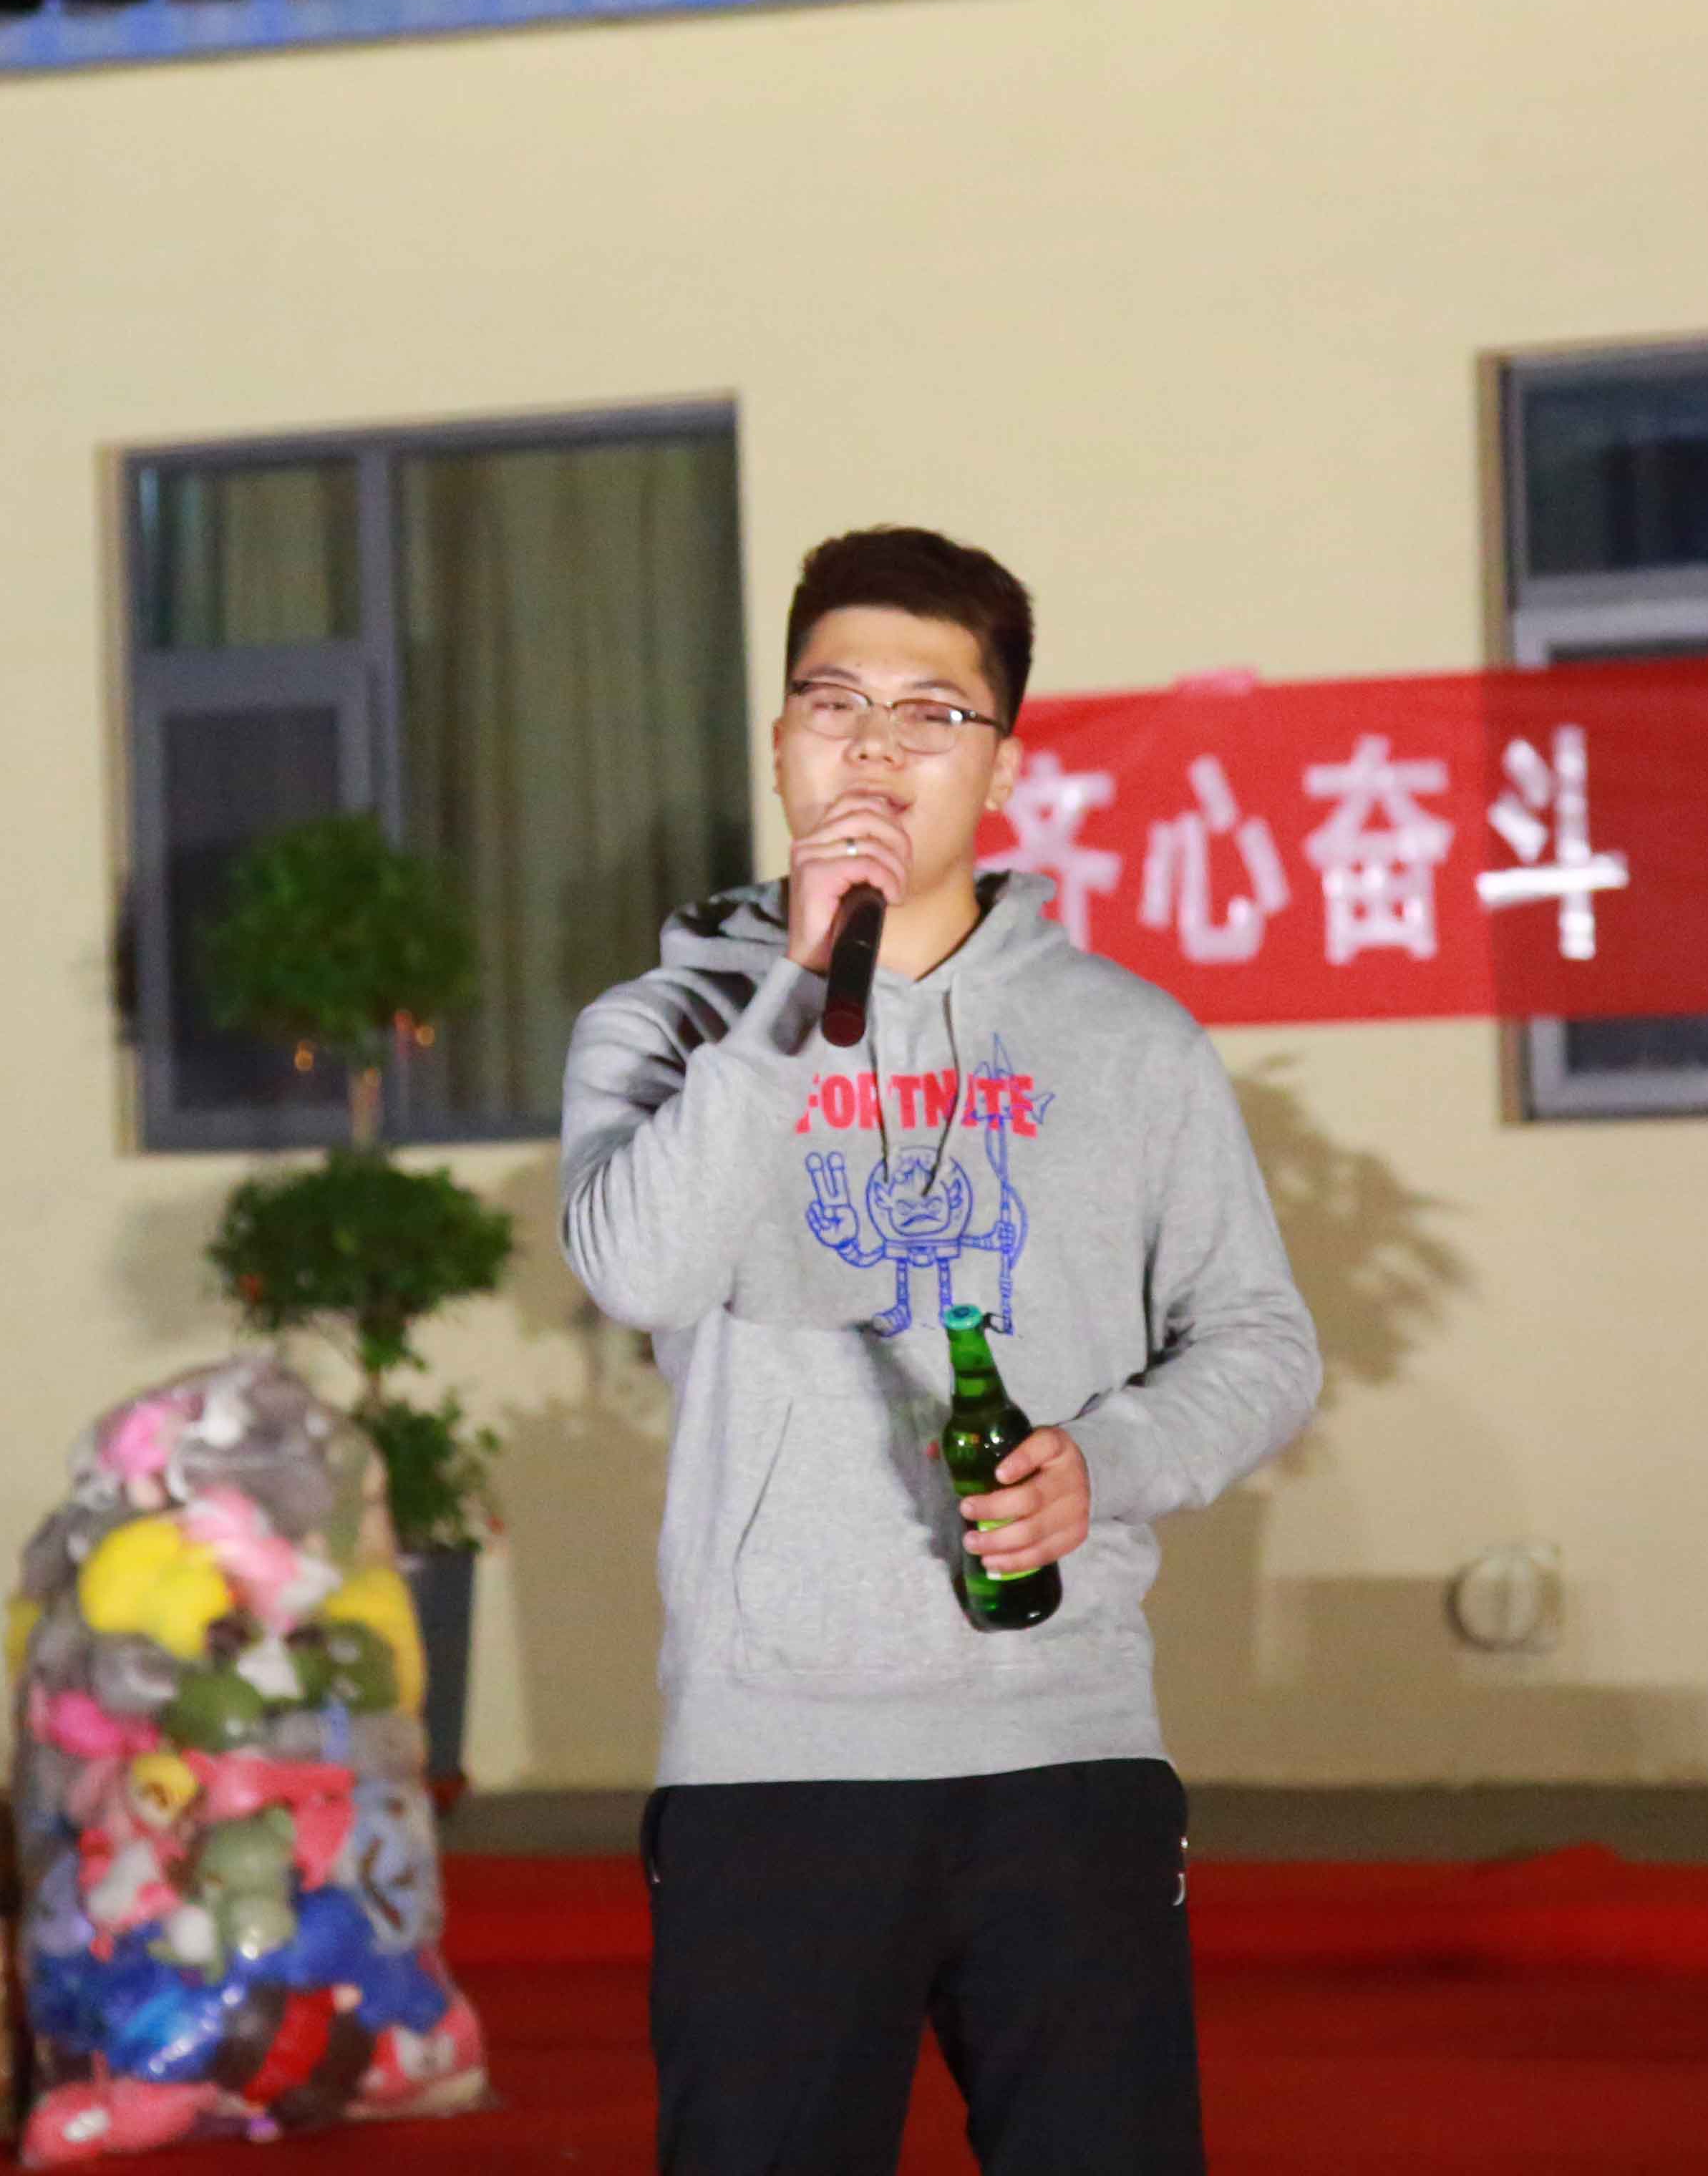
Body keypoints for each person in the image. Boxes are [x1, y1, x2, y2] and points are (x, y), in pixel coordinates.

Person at [561, 524, 1323, 2175]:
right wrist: (792, 993)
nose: (875, 750)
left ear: (1005, 760)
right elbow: (638, 1268)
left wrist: (1107, 1463)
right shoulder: (664, 1028)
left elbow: (1262, 1342)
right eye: (835, 703)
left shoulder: (1127, 1042)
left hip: (1064, 1746)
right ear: (781, 737)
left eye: (931, 713)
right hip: (776, 1757)